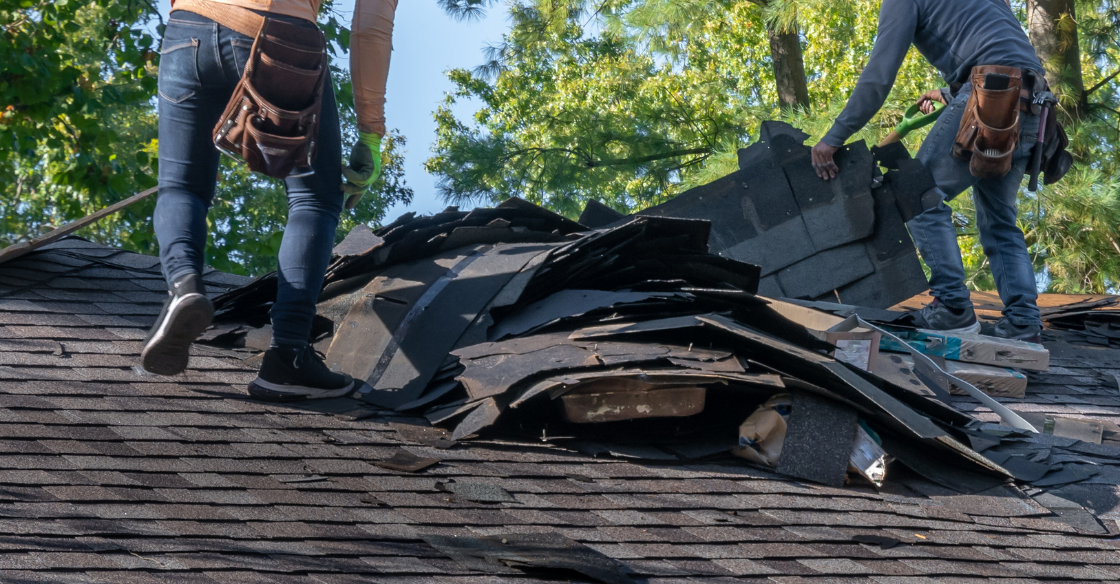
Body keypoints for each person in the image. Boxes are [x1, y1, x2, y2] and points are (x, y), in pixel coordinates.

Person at [140, 0, 399, 400]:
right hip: (281, 34)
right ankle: (288, 355)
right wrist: (370, 132)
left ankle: (183, 286)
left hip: (186, 28)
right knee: (315, 198)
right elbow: (371, 26)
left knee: (181, 186)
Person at [810, 0, 1045, 343]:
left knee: (917, 195)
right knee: (999, 220)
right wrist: (952, 91)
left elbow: (878, 77)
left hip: (991, 96)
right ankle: (1024, 322)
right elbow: (1002, 51)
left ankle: (952, 308)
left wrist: (833, 138)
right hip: (1034, 106)